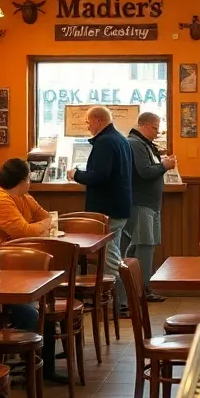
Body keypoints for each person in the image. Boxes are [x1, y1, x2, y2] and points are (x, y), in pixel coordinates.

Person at [0, 158, 58, 369]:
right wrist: (43, 225)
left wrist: (42, 223)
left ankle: (40, 363)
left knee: (40, 306)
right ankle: (33, 364)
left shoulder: (20, 196)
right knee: (31, 312)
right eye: (28, 178)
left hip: (4, 266)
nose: (30, 183)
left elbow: (42, 216)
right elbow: (25, 230)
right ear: (23, 180)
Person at [69, 105, 134, 316]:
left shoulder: (105, 142)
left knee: (110, 258)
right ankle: (117, 303)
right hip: (119, 204)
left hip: (108, 208)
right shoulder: (120, 139)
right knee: (113, 254)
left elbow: (99, 176)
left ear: (97, 120)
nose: (87, 126)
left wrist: (76, 174)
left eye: (88, 122)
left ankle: (120, 304)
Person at [126, 111, 177, 302]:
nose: (157, 133)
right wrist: (165, 166)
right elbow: (145, 172)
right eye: (155, 128)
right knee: (144, 246)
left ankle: (137, 287)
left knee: (141, 246)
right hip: (141, 203)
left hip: (148, 203)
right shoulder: (136, 144)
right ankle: (141, 289)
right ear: (144, 125)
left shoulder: (144, 144)